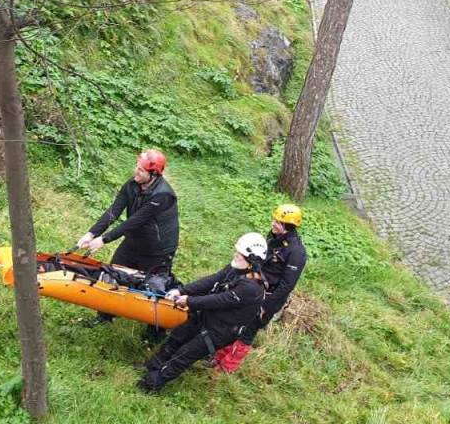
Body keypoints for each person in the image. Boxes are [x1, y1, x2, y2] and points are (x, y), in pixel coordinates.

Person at [137, 233, 268, 393]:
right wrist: (181, 290)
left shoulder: (251, 288)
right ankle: (152, 366)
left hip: (220, 331)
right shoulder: (236, 269)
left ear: (251, 260)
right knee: (177, 337)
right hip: (208, 316)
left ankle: (151, 384)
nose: (235, 255)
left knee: (184, 355)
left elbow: (220, 300)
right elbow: (212, 280)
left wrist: (189, 301)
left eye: (239, 254)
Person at [78, 149, 179, 326]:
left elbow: (134, 221)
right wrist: (92, 233)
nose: (135, 172)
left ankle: (156, 329)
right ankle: (105, 317)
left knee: (155, 287)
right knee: (113, 275)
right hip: (134, 242)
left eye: (141, 170)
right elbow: (113, 211)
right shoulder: (132, 185)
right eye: (136, 167)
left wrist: (104, 240)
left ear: (153, 174)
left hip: (158, 250)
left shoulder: (163, 195)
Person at [211, 203, 307, 372]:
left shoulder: (296, 253)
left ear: (288, 226)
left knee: (247, 332)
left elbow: (286, 285)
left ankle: (227, 367)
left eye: (277, 221)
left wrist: (266, 307)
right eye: (274, 219)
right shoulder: (273, 239)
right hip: (252, 289)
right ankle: (218, 356)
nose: (273, 223)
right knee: (234, 323)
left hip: (267, 299)